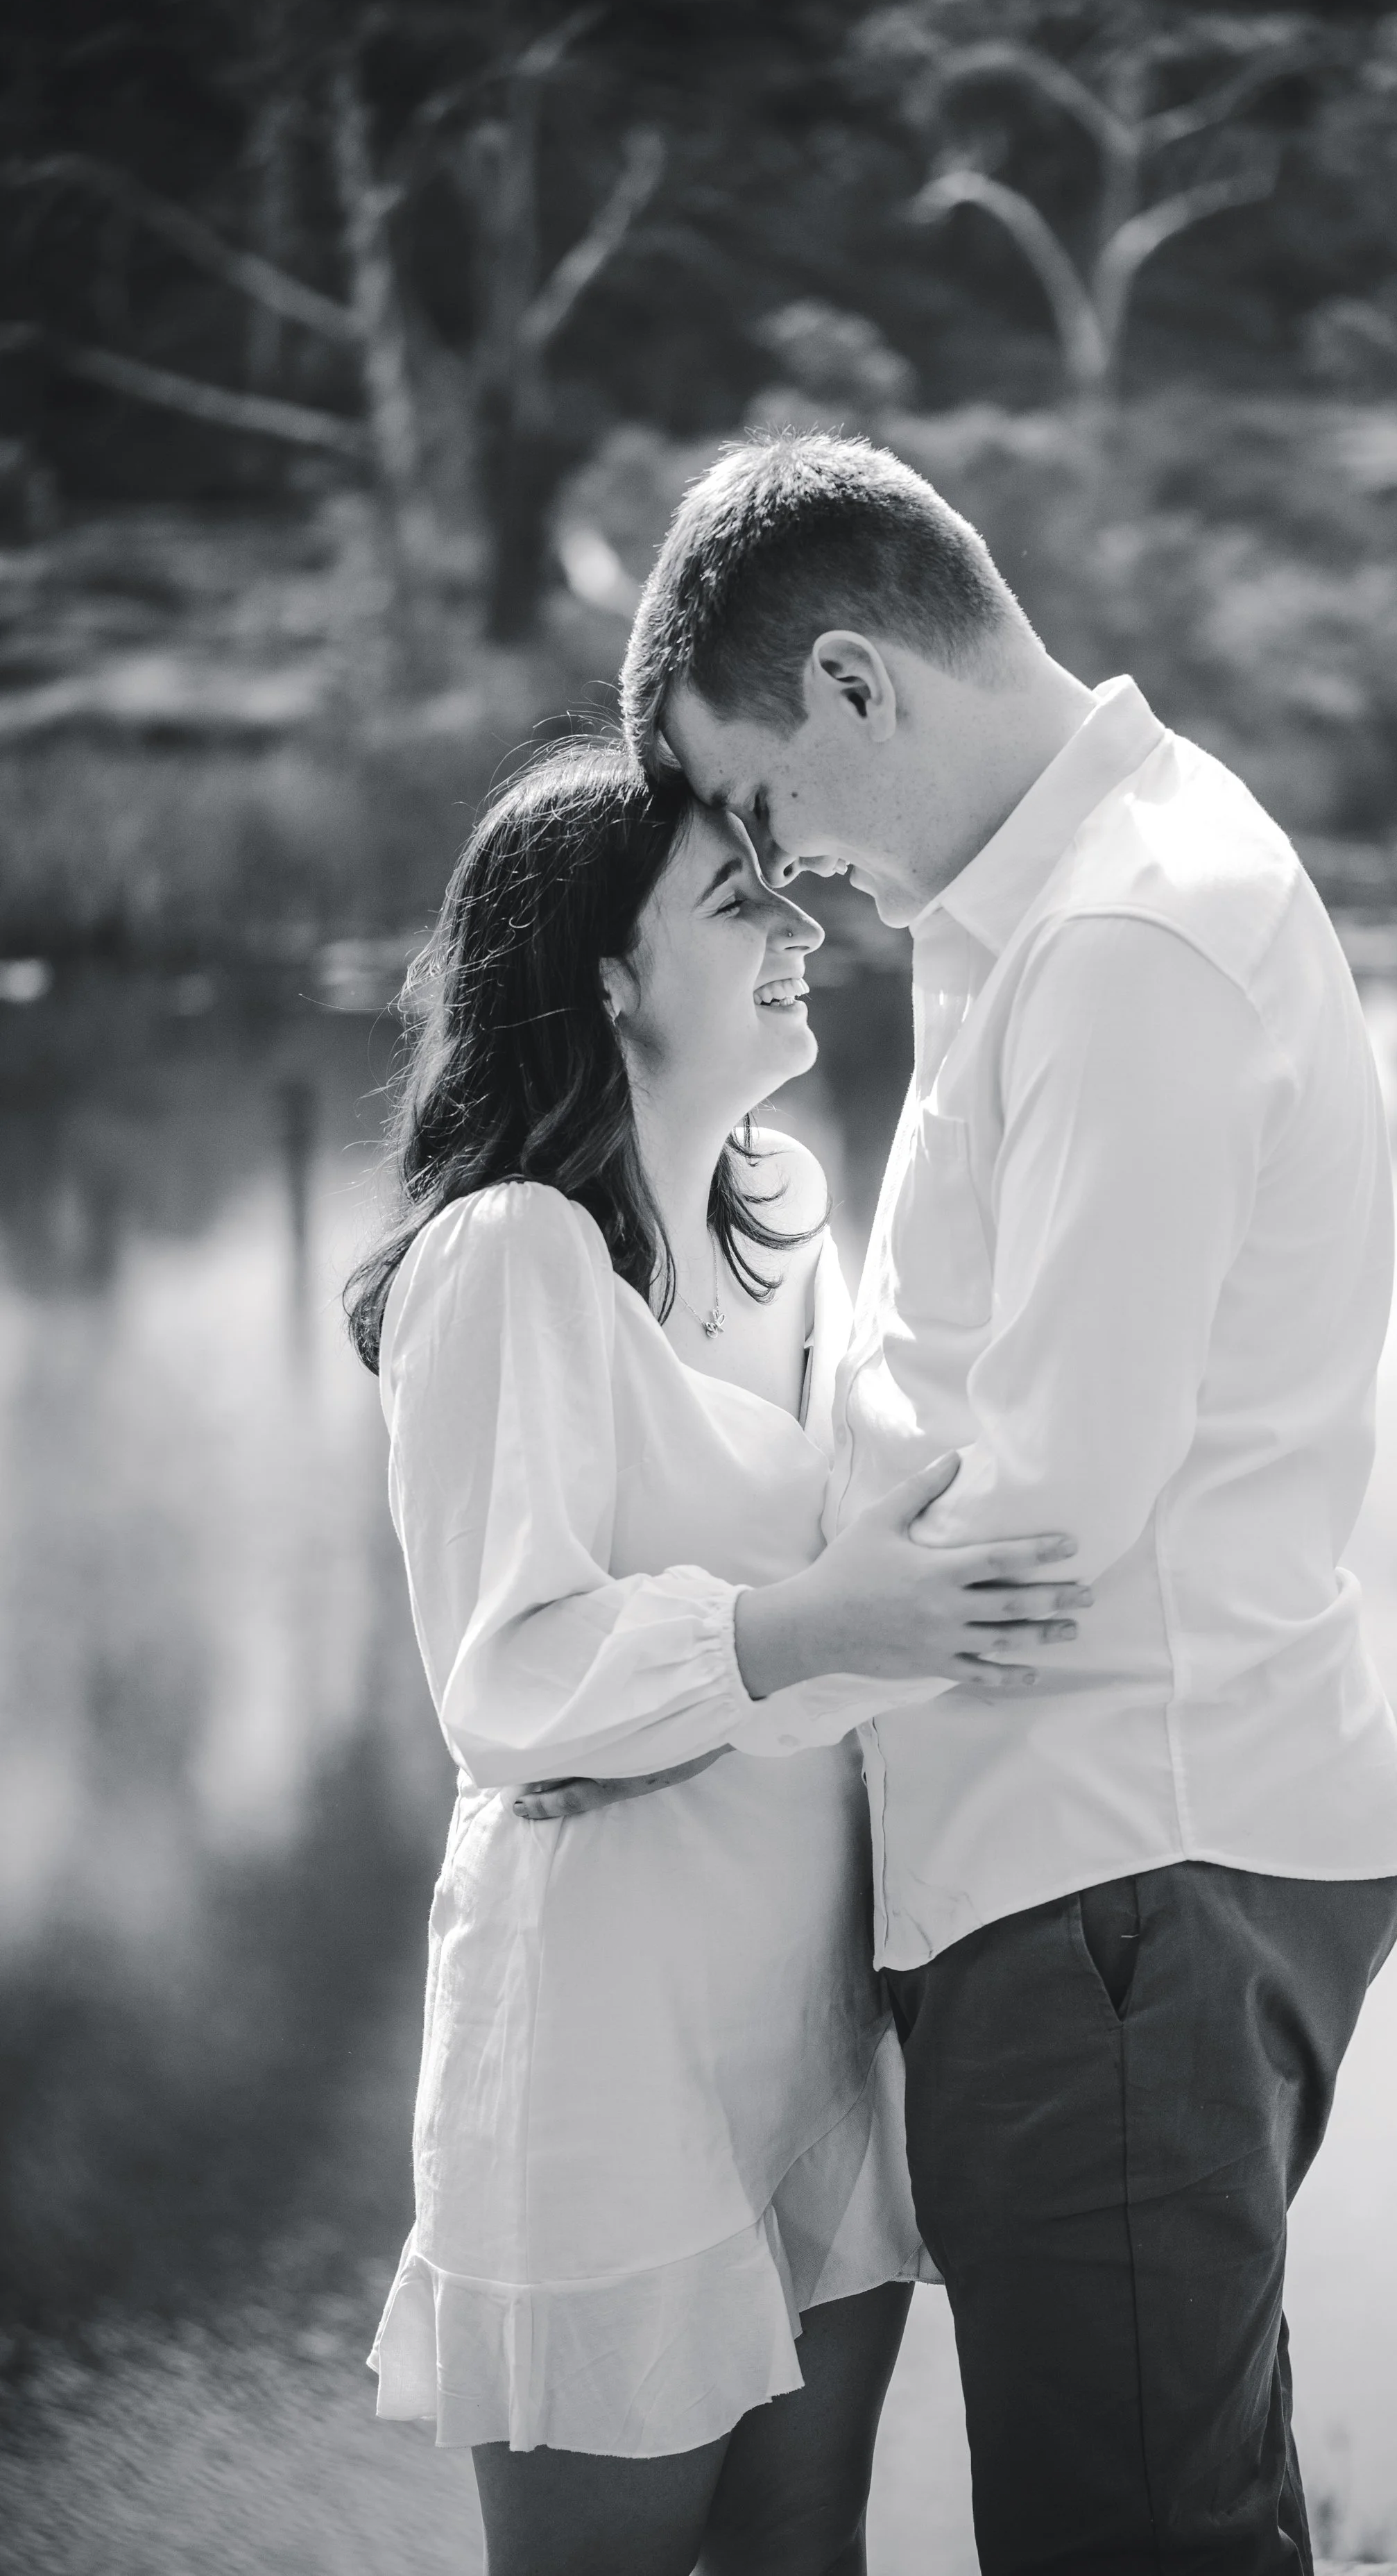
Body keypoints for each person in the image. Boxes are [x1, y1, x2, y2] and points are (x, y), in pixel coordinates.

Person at [606, 431, 1397, 2575]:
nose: (783, 876)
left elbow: (1048, 1512)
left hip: (1120, 1882)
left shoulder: (1122, 935)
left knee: (1127, 2538)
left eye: (767, 804)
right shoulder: (1059, 908)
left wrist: (715, 1686)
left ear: (858, 682)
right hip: (1111, 1883)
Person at [343, 742, 1086, 2576]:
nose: (800, 930)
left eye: (791, 892)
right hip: (605, 2045)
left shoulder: (793, 1223)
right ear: (606, 973)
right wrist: (798, 1632)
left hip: (807, 2019)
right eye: (740, 901)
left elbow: (873, 1581)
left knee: (804, 2550)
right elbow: (508, 1680)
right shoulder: (509, 1254)